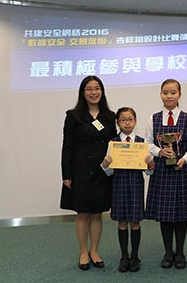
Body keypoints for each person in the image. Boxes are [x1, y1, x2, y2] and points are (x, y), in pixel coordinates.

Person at [60, 75, 117, 270]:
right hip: (80, 171)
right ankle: (83, 252)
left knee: (97, 213)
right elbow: (67, 146)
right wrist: (66, 174)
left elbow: (114, 144)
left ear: (102, 90)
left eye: (97, 88)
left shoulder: (110, 116)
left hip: (101, 171)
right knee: (83, 213)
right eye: (89, 89)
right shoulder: (73, 115)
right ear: (83, 93)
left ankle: (95, 250)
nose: (94, 92)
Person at [145, 78, 187, 269]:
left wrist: (184, 159)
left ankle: (180, 252)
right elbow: (148, 143)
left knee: (181, 214)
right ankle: (168, 252)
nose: (169, 96)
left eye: (173, 92)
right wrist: (159, 152)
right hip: (162, 170)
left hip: (181, 169)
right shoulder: (153, 118)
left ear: (179, 94)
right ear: (161, 94)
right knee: (165, 214)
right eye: (165, 92)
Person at [101, 107, 155, 273]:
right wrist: (105, 165)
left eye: (130, 119)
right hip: (119, 185)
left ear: (135, 121)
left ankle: (135, 256)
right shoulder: (113, 143)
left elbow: (148, 171)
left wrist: (151, 164)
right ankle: (124, 256)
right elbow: (109, 171)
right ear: (118, 123)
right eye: (123, 120)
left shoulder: (142, 143)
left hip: (136, 185)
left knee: (135, 222)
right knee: (122, 222)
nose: (127, 123)